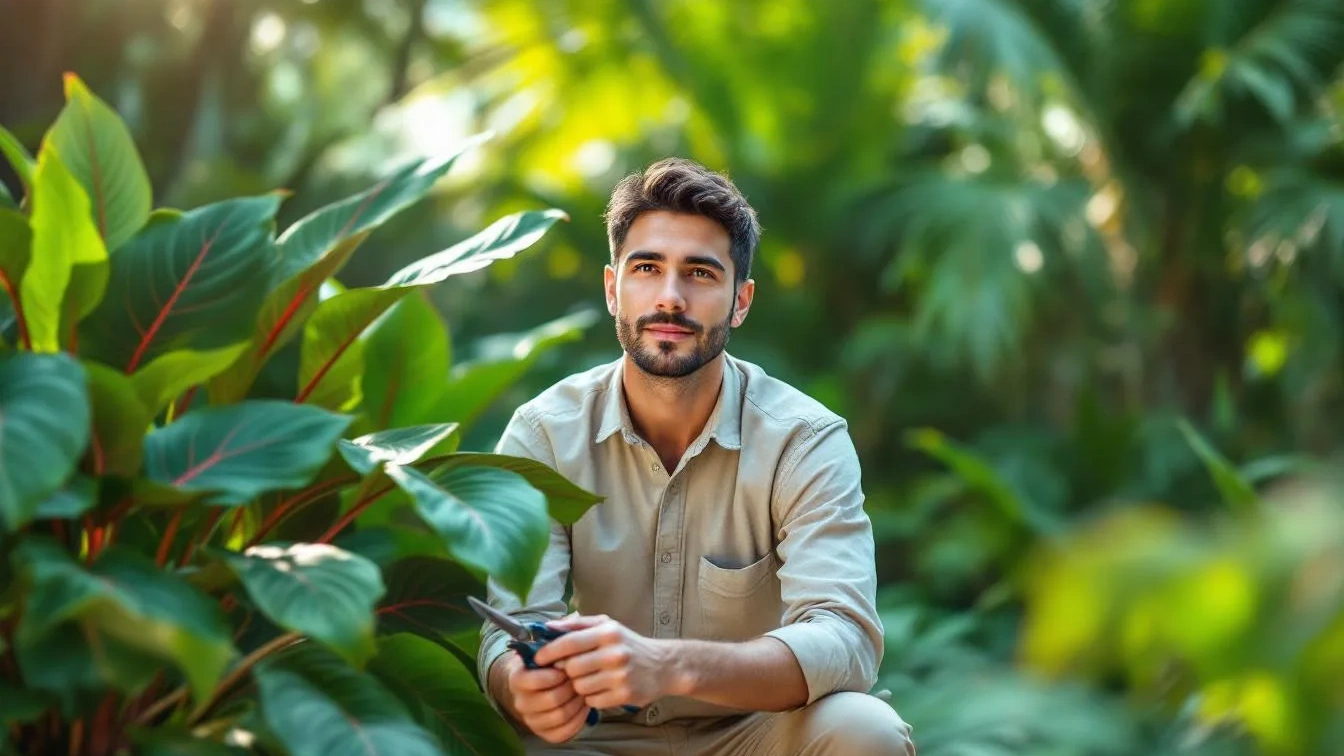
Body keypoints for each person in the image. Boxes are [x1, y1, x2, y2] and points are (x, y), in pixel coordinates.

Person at [476, 157, 915, 756]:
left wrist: (668, 665)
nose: (670, 297)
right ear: (613, 289)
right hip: (593, 740)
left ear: (741, 300)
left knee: (866, 732)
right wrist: (519, 685)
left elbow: (844, 640)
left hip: (753, 733)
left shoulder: (803, 439)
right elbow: (509, 627)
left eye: (701, 273)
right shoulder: (545, 435)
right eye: (647, 268)